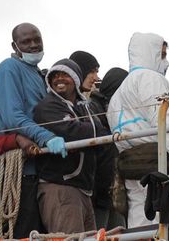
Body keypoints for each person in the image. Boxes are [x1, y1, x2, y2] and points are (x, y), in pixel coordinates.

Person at [107, 33, 169, 228]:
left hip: (130, 167)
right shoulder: (150, 78)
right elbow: (167, 122)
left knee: (140, 221)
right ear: (150, 53)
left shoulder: (118, 94)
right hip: (157, 165)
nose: (166, 62)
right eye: (161, 55)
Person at [0, 22, 66, 238]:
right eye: (26, 42)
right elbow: (12, 117)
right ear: (15, 45)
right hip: (21, 172)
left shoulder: (39, 73)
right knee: (25, 232)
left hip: (42, 168)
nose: (33, 45)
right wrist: (46, 137)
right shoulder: (8, 69)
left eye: (37, 40)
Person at [34, 58, 106, 233]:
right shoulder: (47, 106)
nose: (59, 79)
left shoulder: (83, 107)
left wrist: (89, 129)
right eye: (55, 76)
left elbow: (102, 134)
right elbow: (71, 131)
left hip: (83, 189)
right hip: (61, 188)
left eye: (65, 75)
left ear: (75, 79)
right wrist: (91, 129)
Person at [88, 68, 129, 229]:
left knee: (119, 232)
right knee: (101, 232)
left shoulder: (114, 110)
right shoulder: (93, 109)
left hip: (113, 188)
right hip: (100, 189)